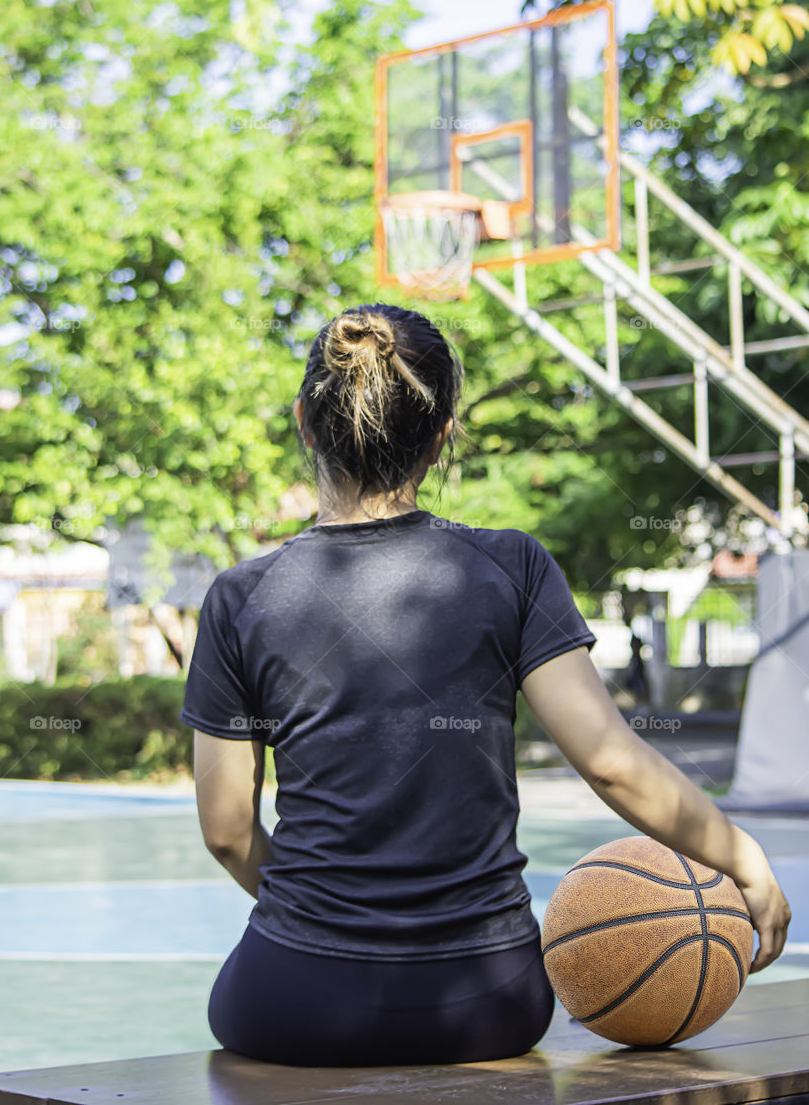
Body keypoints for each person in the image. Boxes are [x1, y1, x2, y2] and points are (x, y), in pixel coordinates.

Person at [180, 303, 790, 1068]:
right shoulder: (511, 566)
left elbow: (226, 831)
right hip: (487, 1003)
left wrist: (328, 926)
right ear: (442, 437)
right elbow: (610, 762)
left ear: (304, 422)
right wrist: (741, 857)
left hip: (295, 1004)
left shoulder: (241, 596)